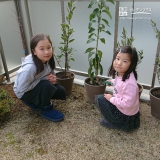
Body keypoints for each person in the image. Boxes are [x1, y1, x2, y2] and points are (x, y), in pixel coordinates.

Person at [13, 34, 66, 122]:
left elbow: (50, 72)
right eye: (42, 49)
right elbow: (21, 88)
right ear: (34, 51)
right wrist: (45, 79)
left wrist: (53, 78)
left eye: (49, 47)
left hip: (36, 86)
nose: (47, 52)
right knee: (46, 85)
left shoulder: (47, 59)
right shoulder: (29, 68)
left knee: (61, 90)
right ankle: (46, 109)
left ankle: (36, 102)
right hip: (24, 92)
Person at [95, 46, 140, 132]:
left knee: (100, 99)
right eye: (118, 59)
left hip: (125, 115)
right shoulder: (123, 74)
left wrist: (111, 99)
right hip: (125, 109)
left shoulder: (130, 84)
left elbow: (127, 103)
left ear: (131, 64)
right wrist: (112, 81)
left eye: (125, 61)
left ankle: (115, 122)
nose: (119, 63)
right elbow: (120, 83)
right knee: (103, 98)